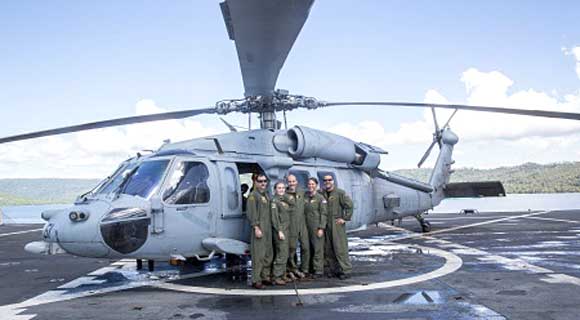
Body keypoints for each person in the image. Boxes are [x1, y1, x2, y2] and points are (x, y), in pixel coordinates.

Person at [321, 174, 353, 280]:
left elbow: (349, 205)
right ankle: (334, 270)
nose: (327, 182)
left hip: (336, 224)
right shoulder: (323, 193)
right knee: (329, 248)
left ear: (333, 181)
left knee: (340, 247)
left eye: (329, 180)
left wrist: (344, 218)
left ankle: (346, 270)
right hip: (327, 223)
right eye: (325, 180)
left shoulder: (340, 193)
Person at [246, 174, 274, 289]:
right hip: (260, 228)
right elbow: (251, 213)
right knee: (258, 255)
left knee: (268, 254)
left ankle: (265, 277)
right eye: (260, 181)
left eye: (264, 181)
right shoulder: (253, 196)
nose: (263, 183)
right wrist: (256, 227)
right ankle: (256, 280)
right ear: (255, 182)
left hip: (268, 229)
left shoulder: (266, 195)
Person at [285, 174, 310, 279]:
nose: (292, 183)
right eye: (290, 181)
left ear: (296, 182)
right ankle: (292, 268)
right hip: (291, 225)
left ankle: (305, 269)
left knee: (305, 247)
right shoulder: (284, 195)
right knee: (292, 249)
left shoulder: (301, 193)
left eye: (293, 181)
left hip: (302, 224)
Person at [304, 177, 327, 278]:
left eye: (313, 184)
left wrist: (321, 227)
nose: (311, 186)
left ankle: (318, 270)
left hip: (316, 226)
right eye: (309, 184)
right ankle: (309, 268)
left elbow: (324, 213)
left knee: (317, 248)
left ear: (316, 185)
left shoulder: (320, 198)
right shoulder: (305, 197)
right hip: (306, 226)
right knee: (307, 248)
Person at [271, 181, 292, 285]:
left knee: (285, 253)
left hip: (286, 229)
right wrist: (279, 231)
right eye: (279, 188)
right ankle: (276, 276)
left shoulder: (283, 199)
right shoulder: (274, 201)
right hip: (280, 230)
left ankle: (283, 275)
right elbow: (274, 218)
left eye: (283, 188)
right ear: (275, 189)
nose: (281, 190)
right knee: (281, 253)